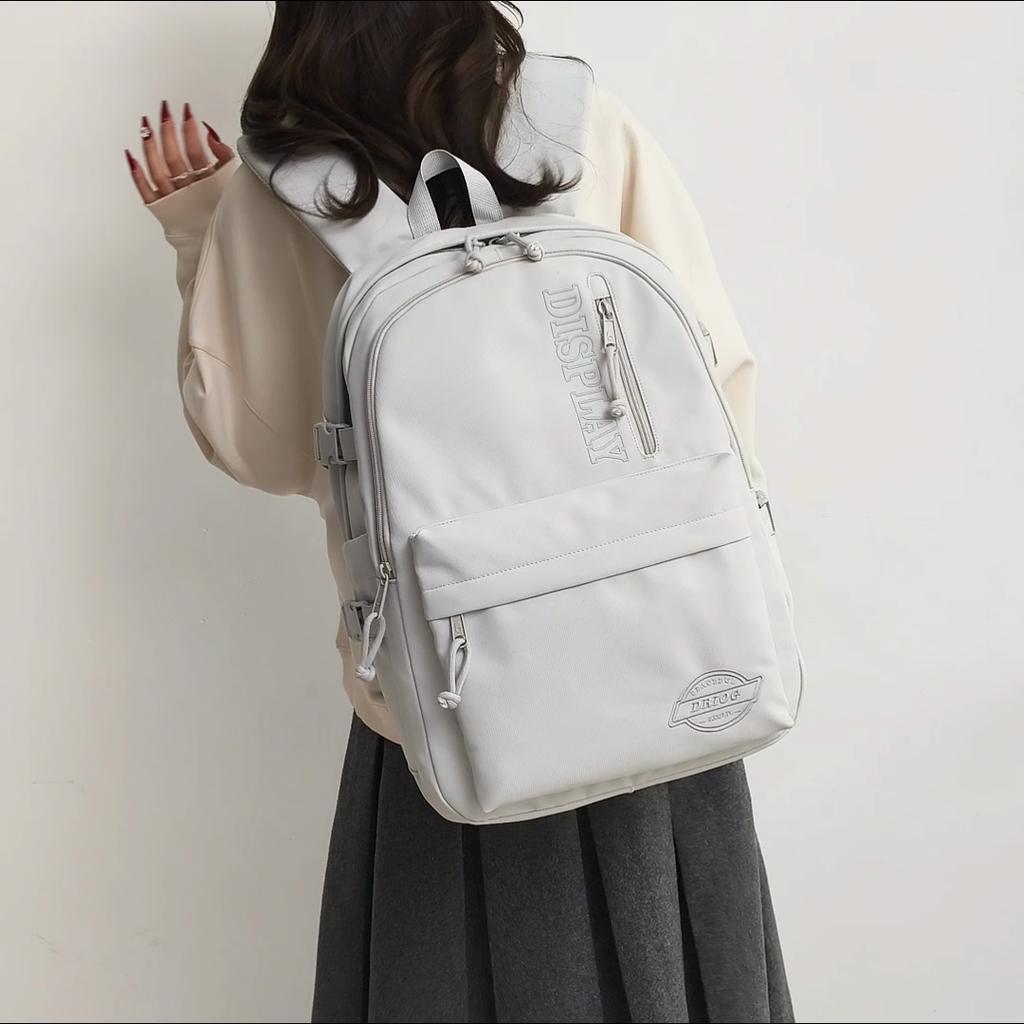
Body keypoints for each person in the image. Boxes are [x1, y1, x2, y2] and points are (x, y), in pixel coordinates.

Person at [126, 2, 794, 1021]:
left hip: (447, 689)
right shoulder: (580, 126)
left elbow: (260, 444)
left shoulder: (284, 186)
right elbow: (715, 371)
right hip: (661, 660)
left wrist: (199, 233)